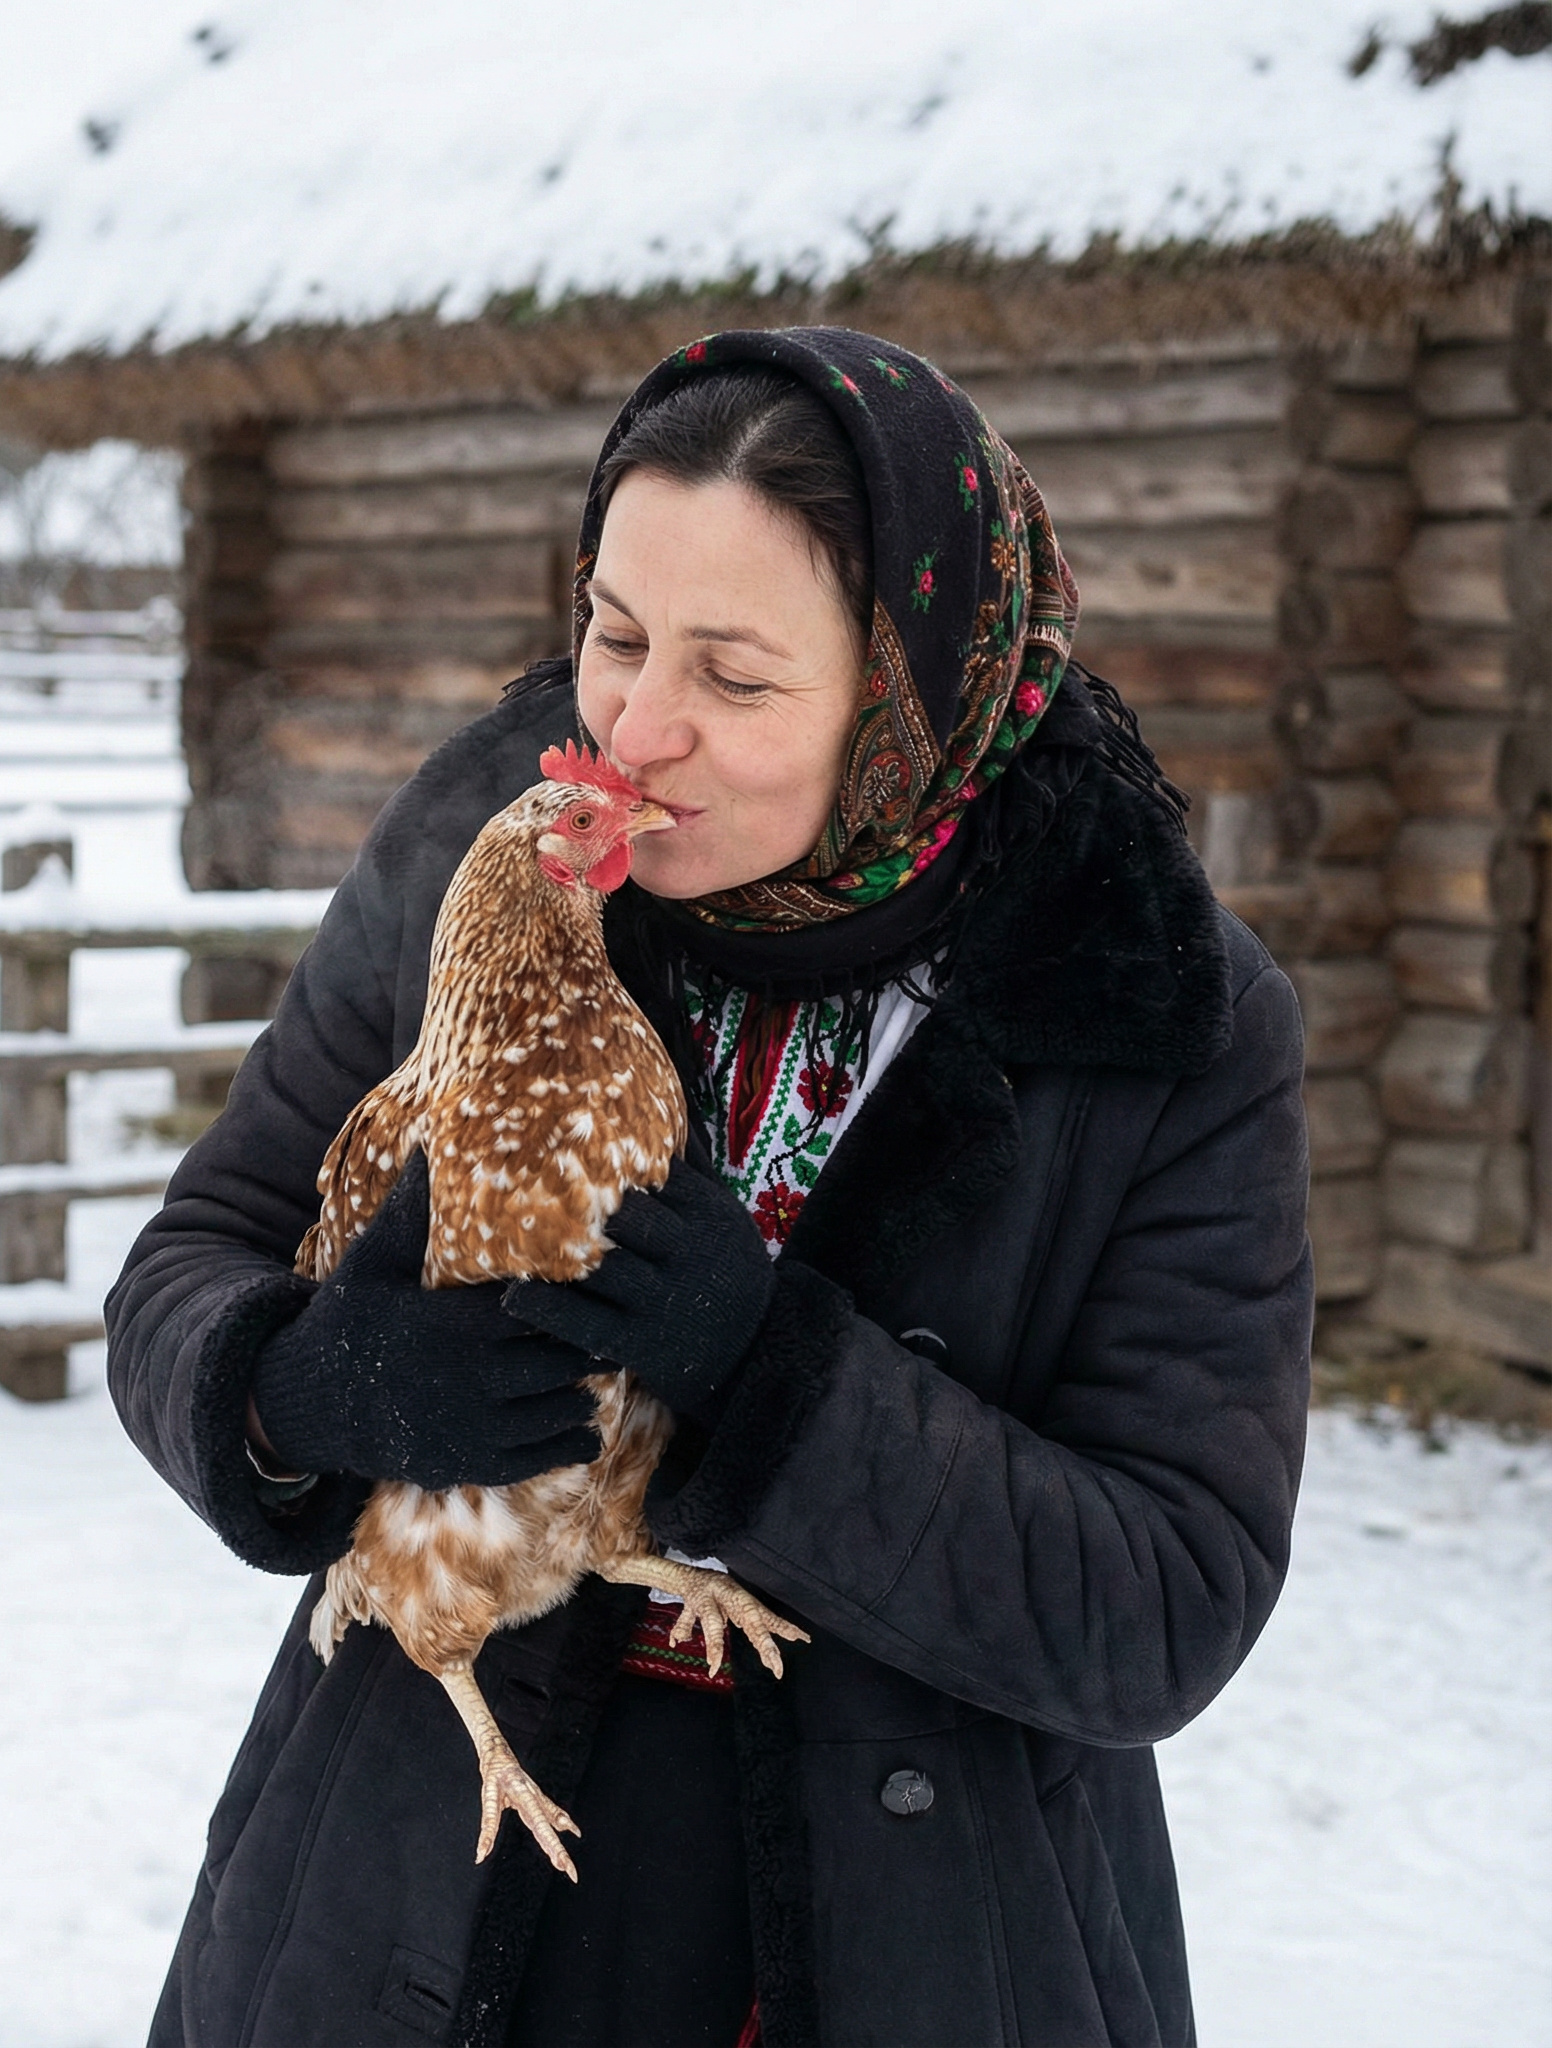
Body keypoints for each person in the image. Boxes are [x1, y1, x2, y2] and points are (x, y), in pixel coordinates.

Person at [106, 327, 1312, 2048]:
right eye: (613, 634)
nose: (638, 725)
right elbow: (192, 1262)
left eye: (736, 679)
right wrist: (292, 1384)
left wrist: (778, 1384)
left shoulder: (1144, 1004)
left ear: (912, 691)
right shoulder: (501, 855)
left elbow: (1166, 1598)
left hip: (909, 1935)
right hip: (416, 1889)